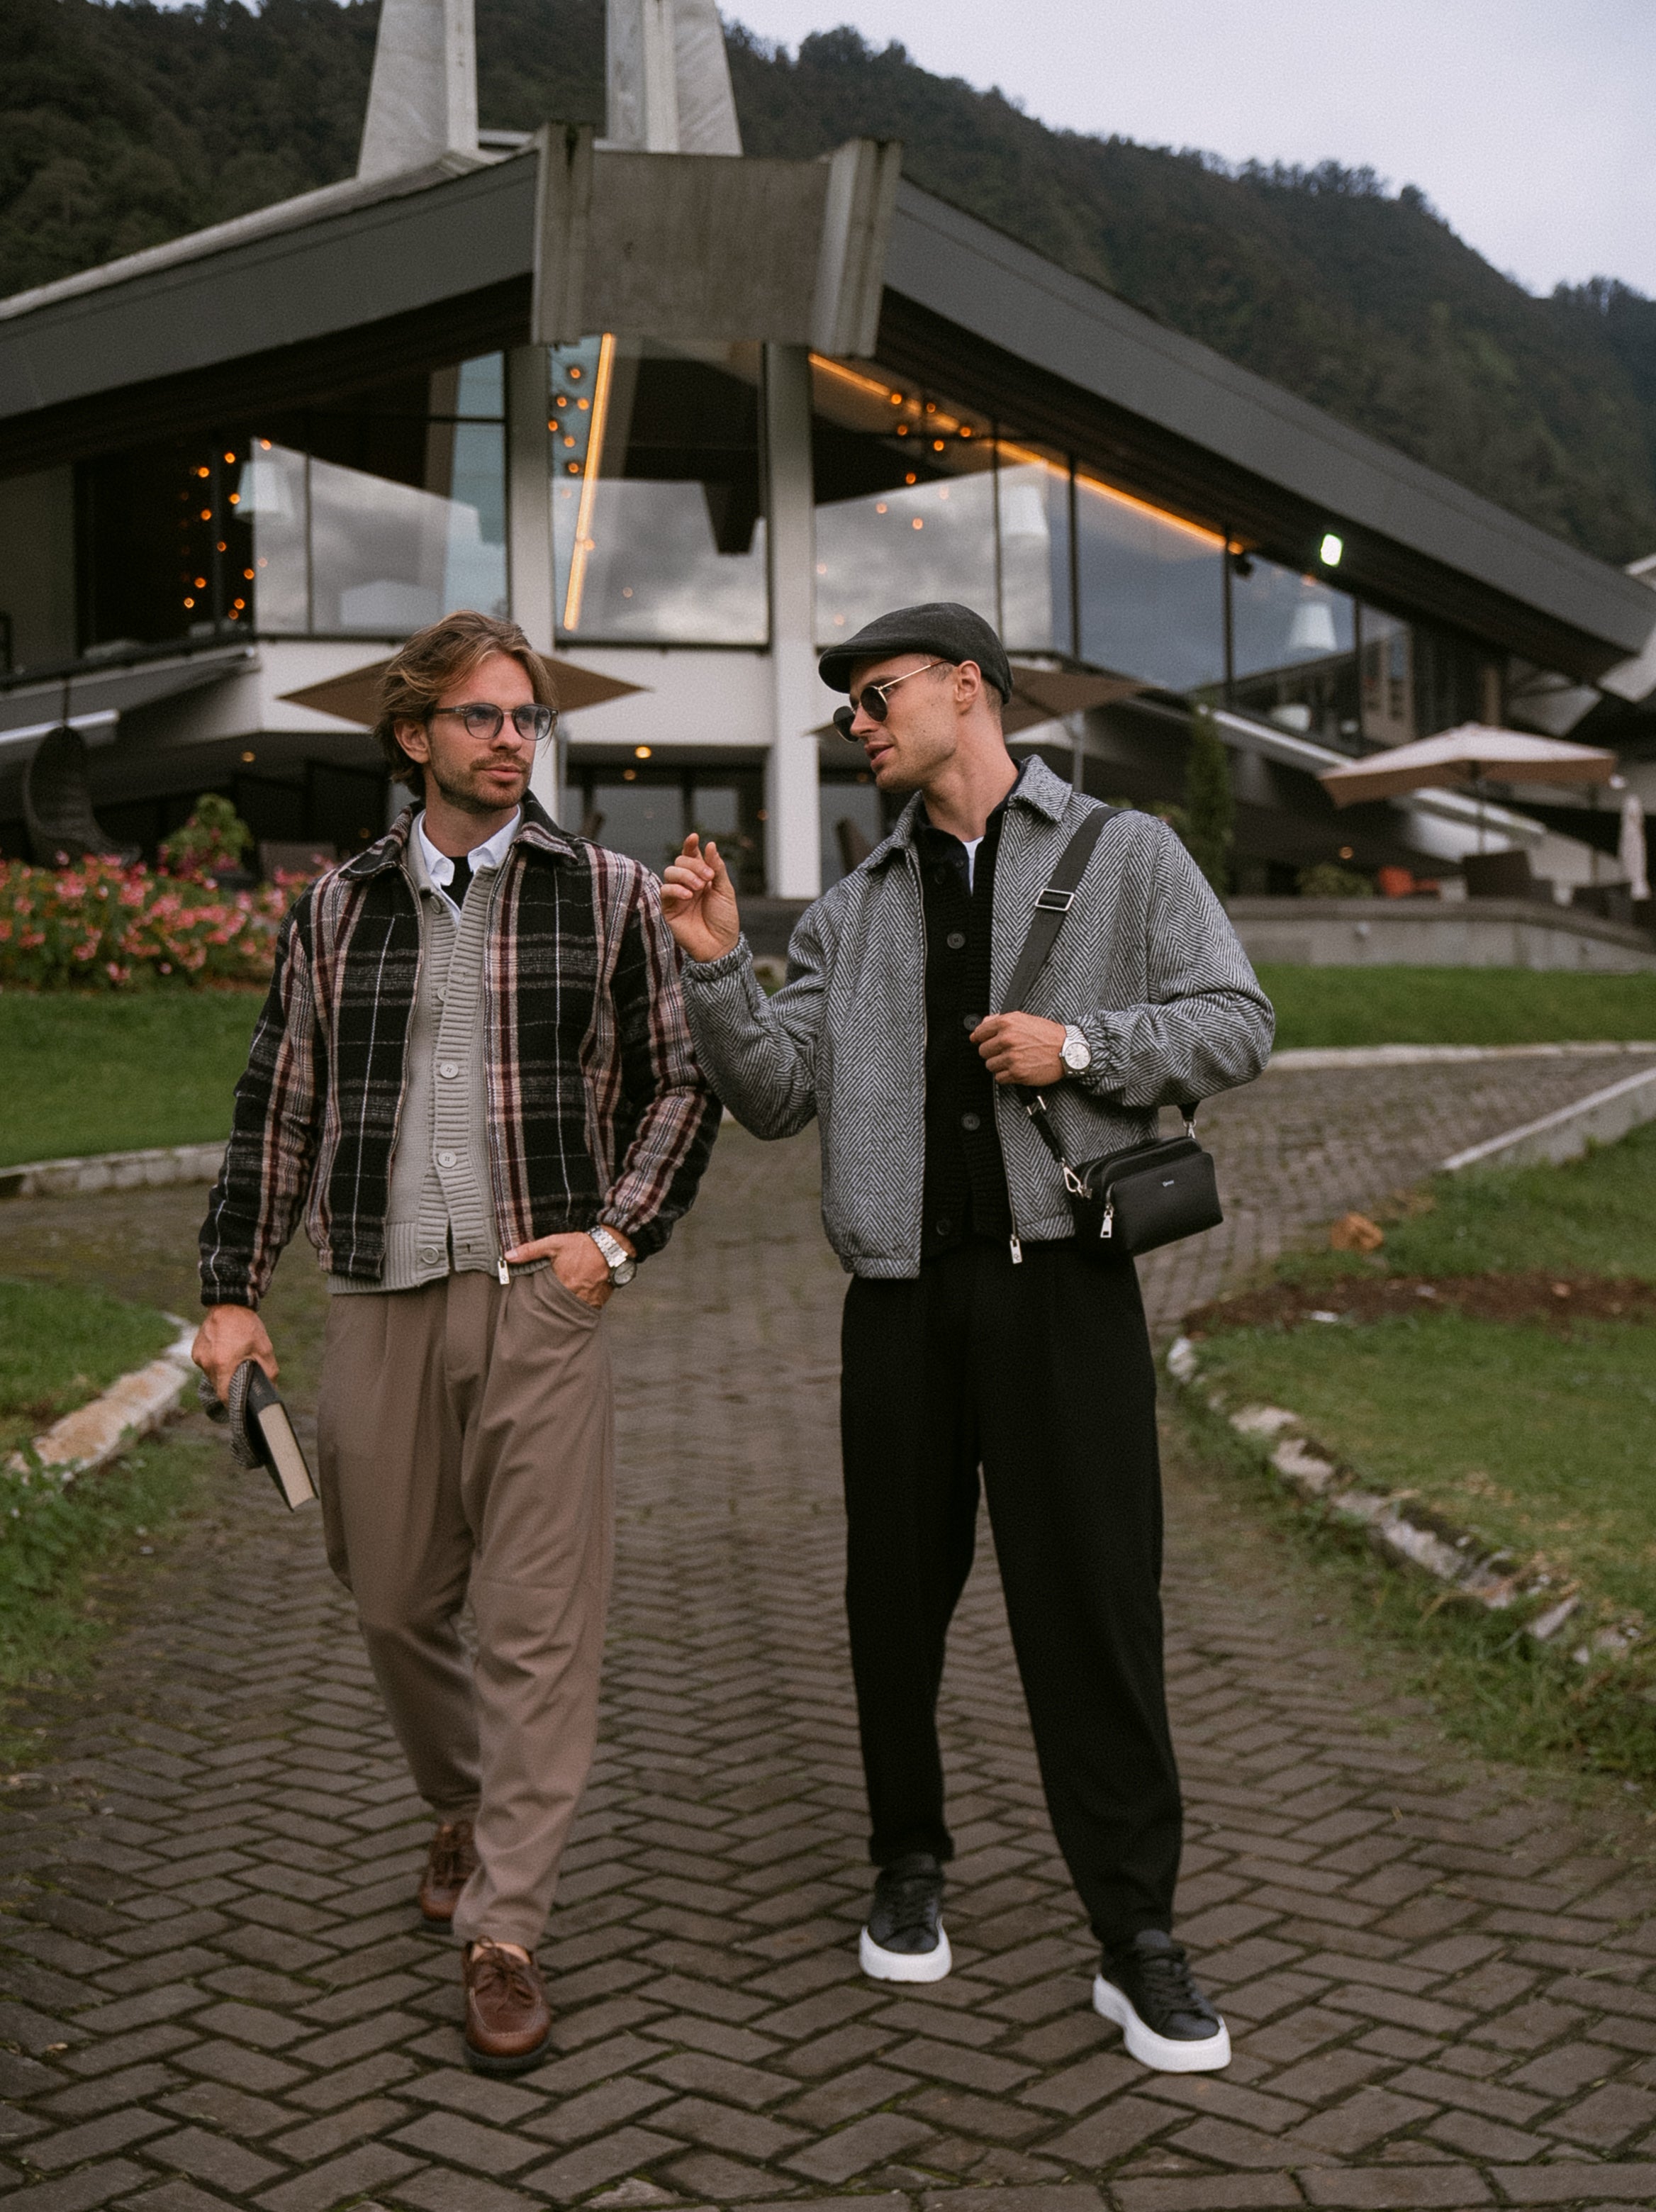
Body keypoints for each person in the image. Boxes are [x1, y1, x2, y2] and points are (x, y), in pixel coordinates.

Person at [661, 602, 1272, 2074]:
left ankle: (1137, 1936)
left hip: (1065, 1292)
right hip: (901, 1304)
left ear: (966, 690)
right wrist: (718, 966)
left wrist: (1086, 1047)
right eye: (850, 707)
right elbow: (775, 1096)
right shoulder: (853, 909)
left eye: (878, 696)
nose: (858, 723)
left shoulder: (1125, 856)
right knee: (893, 1602)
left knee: (1097, 1611)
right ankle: (906, 1859)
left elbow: (1238, 1021)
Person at [194, 610, 719, 2077]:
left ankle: (505, 1930)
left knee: (540, 1623)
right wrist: (233, 1286)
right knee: (387, 1595)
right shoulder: (334, 907)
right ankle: (463, 1801)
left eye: (525, 718)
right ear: (413, 734)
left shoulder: (607, 894)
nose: (510, 740)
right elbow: (278, 1106)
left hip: (541, 1296)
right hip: (376, 1290)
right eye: (481, 717)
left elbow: (682, 1082)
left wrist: (613, 1240)